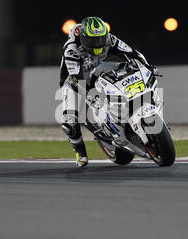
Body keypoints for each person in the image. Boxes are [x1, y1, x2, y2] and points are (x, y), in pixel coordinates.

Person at [59, 16, 156, 167]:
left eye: (100, 39)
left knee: (129, 69)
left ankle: (128, 116)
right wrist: (89, 92)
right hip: (75, 79)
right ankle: (80, 151)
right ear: (84, 38)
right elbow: (76, 78)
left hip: (99, 68)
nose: (98, 44)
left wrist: (147, 66)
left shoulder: (110, 39)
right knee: (69, 121)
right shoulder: (72, 49)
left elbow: (133, 53)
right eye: (93, 40)